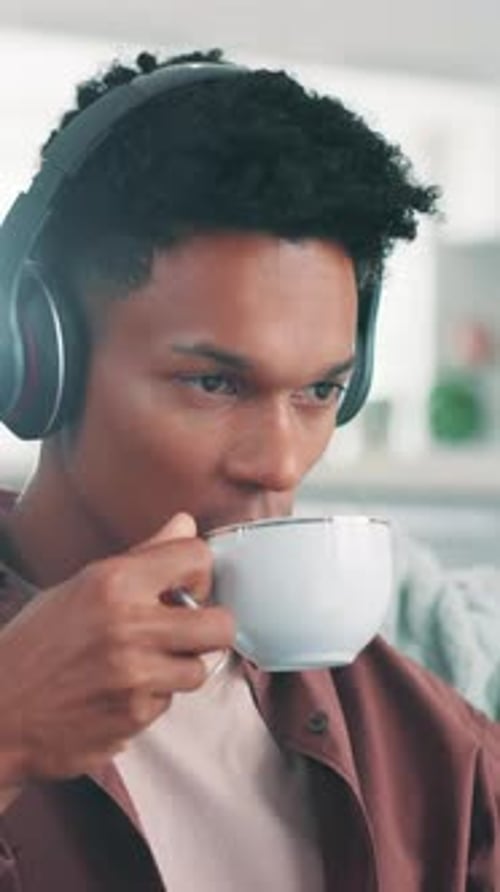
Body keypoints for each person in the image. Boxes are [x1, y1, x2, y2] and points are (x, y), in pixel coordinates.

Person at [0, 48, 498, 891]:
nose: (280, 461)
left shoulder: (419, 734)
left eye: (319, 391)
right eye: (214, 383)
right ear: (37, 359)